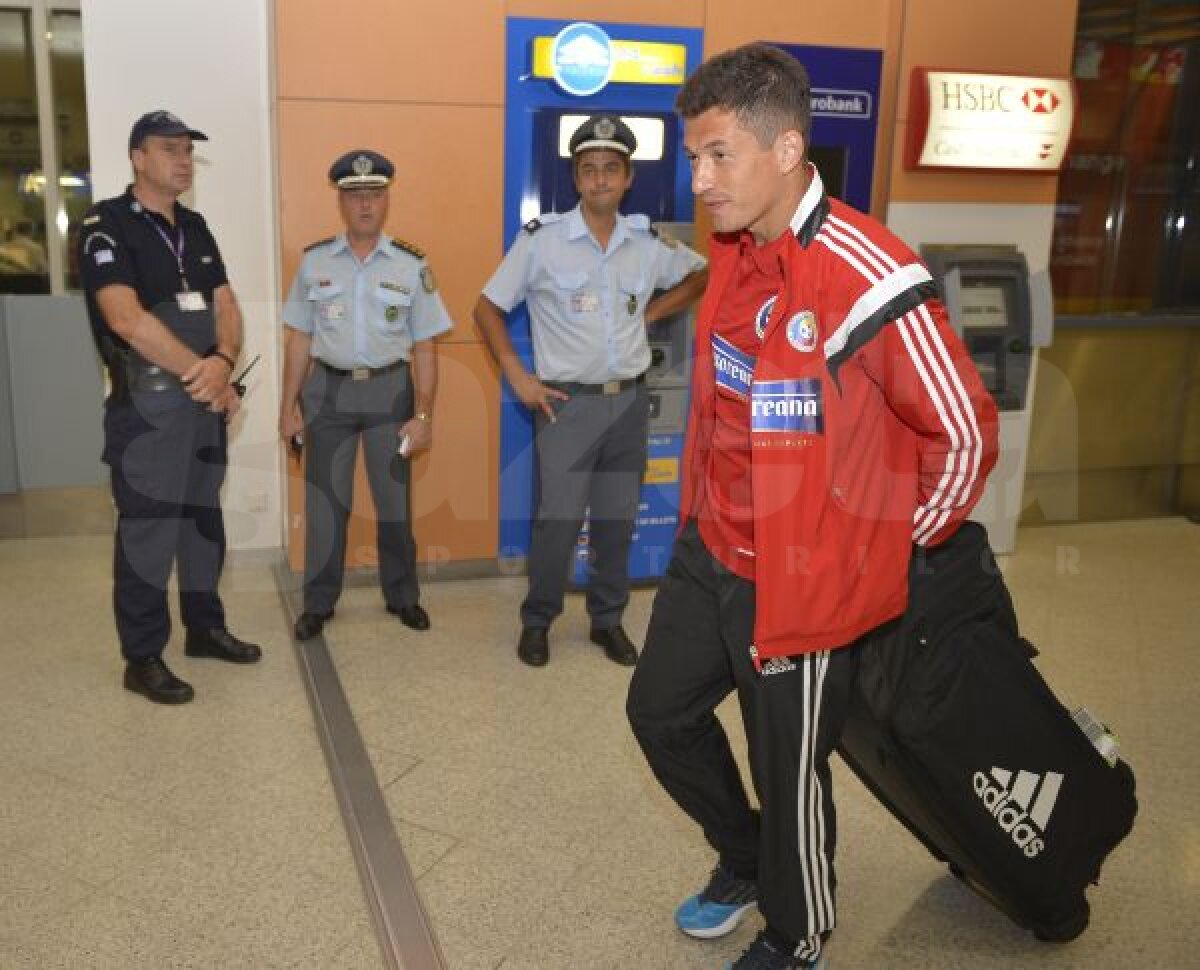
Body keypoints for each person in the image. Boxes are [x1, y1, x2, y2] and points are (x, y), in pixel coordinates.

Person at [626, 45, 1000, 969]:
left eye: (718, 156)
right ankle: (745, 859)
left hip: (802, 581)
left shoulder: (867, 270)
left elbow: (963, 431)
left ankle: (799, 934)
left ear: (787, 147)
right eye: (694, 156)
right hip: (713, 548)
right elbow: (724, 401)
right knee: (659, 713)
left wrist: (875, 552)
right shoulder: (734, 250)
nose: (699, 178)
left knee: (787, 771)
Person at [474, 114, 708, 669]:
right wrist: (517, 376)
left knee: (616, 520)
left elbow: (702, 275)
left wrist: (655, 310)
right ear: (577, 180)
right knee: (558, 522)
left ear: (627, 178)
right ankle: (538, 621)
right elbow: (485, 308)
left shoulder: (646, 244)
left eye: (610, 169)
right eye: (588, 170)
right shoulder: (542, 243)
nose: (599, 179)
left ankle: (608, 620)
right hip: (566, 404)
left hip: (628, 402)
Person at [79, 110, 261, 706]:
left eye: (187, 150)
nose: (183, 160)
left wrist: (225, 361)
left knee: (202, 523)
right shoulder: (107, 225)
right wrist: (199, 370)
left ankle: (205, 628)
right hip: (150, 407)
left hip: (204, 402)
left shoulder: (197, 226)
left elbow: (226, 302)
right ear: (137, 156)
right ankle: (143, 656)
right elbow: (124, 317)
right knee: (149, 532)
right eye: (169, 149)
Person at [281, 149, 453, 641]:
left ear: (386, 200)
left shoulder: (411, 265)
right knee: (324, 504)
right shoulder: (315, 262)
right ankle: (318, 602)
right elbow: (300, 339)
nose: (364, 205)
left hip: (389, 392)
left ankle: (402, 596)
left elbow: (424, 345)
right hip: (328, 392)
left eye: (374, 194)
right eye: (355, 195)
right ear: (340, 200)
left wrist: (423, 414)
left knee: (394, 502)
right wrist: (288, 406)